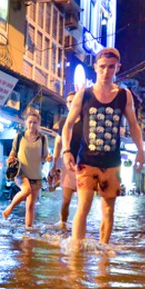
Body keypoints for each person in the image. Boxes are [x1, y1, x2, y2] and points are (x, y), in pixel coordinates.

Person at [61, 47, 145, 247]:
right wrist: (66, 151)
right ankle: (75, 257)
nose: (106, 72)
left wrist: (141, 151)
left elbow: (133, 125)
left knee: (108, 209)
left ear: (118, 68)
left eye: (111, 67)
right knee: (83, 206)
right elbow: (68, 125)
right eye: (102, 67)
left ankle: (104, 257)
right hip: (86, 161)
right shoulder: (83, 95)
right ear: (95, 68)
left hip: (112, 163)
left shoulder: (125, 95)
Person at [3, 108, 53, 227]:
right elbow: (13, 152)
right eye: (30, 122)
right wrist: (10, 159)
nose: (32, 125)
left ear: (38, 123)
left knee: (31, 206)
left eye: (34, 122)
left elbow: (45, 154)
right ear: (25, 122)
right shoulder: (19, 136)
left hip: (36, 175)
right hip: (21, 172)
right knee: (26, 190)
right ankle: (9, 209)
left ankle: (28, 230)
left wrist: (48, 158)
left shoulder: (42, 139)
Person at [51, 91, 80, 228]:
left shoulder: (87, 121)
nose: (72, 103)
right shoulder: (63, 123)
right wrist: (54, 164)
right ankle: (63, 225)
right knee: (66, 200)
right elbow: (58, 143)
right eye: (69, 101)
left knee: (83, 201)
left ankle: (79, 229)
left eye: (74, 100)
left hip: (84, 165)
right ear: (66, 104)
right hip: (68, 165)